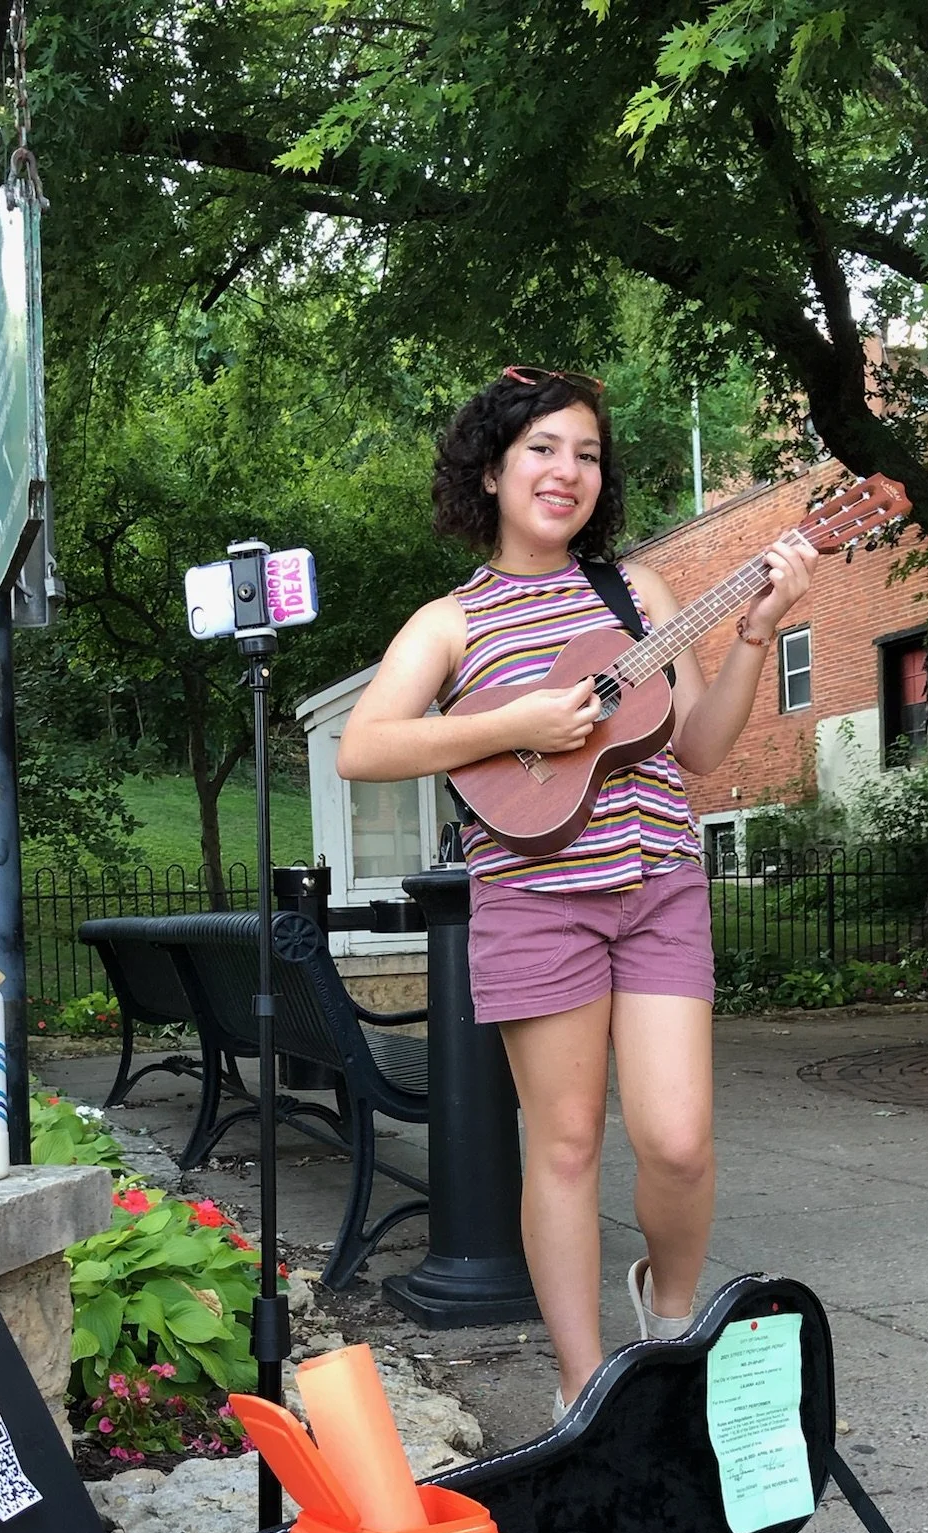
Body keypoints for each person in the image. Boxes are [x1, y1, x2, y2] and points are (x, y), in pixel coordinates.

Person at [336, 366, 817, 1418]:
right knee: (564, 1145)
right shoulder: (452, 621)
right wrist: (513, 724)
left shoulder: (636, 595)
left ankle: (671, 1326)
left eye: (587, 454)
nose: (567, 471)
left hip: (657, 885)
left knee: (678, 1140)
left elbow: (700, 747)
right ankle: (582, 1387)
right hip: (537, 901)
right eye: (543, 448)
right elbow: (363, 747)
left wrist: (755, 634)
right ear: (492, 469)